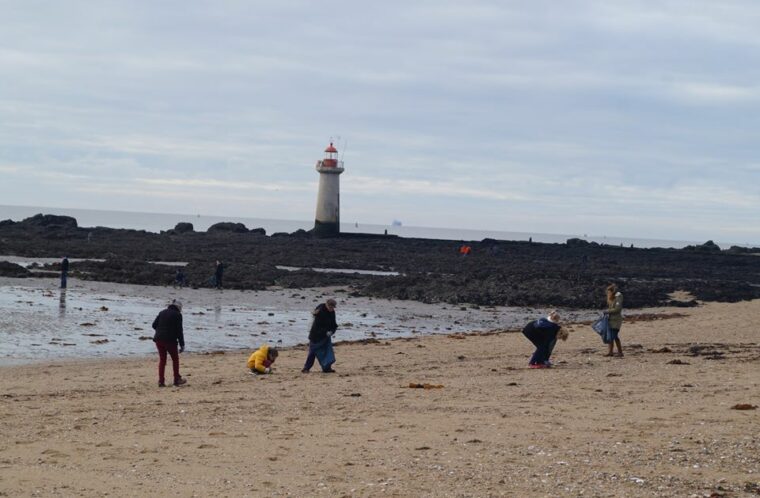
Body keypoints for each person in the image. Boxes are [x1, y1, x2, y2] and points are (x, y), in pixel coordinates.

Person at [152, 299, 186, 387]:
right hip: (170, 341)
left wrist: (161, 330)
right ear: (179, 308)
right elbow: (179, 331)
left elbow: (154, 325)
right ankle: (176, 379)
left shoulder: (162, 312)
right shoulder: (178, 315)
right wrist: (182, 344)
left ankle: (161, 381)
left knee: (162, 360)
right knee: (175, 360)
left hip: (158, 339)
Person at [302, 298, 338, 373]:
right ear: (327, 305)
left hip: (326, 337)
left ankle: (327, 368)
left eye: (333, 307)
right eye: (330, 307)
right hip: (315, 336)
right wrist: (314, 313)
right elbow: (316, 316)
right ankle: (306, 368)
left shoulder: (332, 312)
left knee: (328, 352)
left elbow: (334, 325)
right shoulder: (320, 310)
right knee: (312, 353)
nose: (331, 309)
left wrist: (331, 332)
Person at [605, 284, 624, 357]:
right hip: (611, 320)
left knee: (614, 336)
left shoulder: (618, 298)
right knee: (611, 336)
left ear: (612, 292)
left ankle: (620, 352)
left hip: (616, 320)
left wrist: (607, 311)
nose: (608, 294)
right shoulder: (612, 299)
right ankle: (610, 352)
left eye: (609, 292)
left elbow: (617, 309)